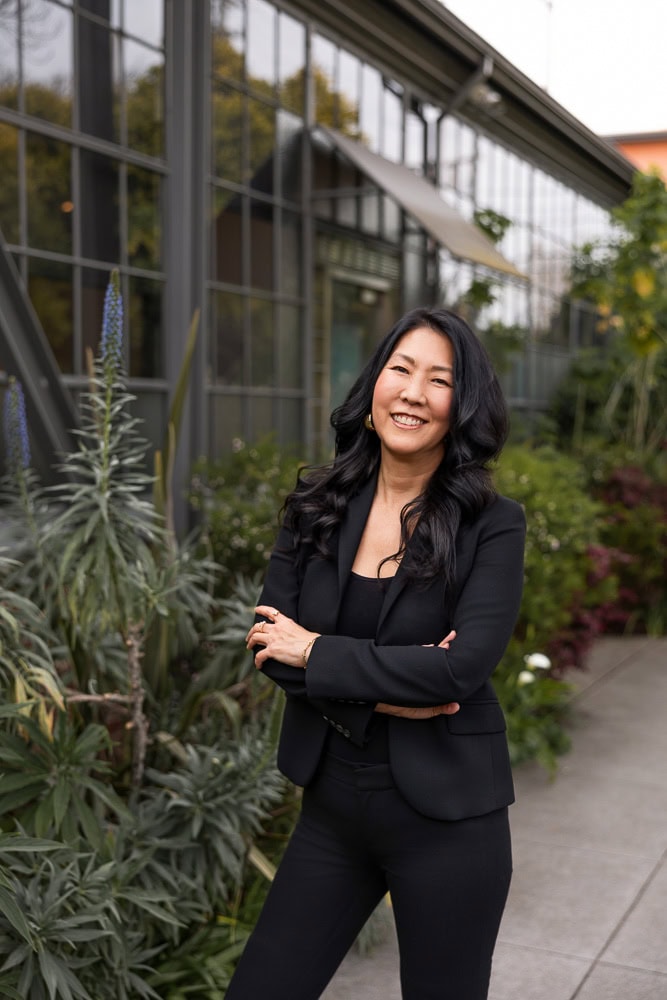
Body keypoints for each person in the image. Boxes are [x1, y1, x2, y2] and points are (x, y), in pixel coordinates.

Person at [226, 306, 526, 1000]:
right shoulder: (314, 504)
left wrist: (318, 654)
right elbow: (272, 648)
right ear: (373, 389)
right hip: (332, 809)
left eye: (438, 379)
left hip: (449, 821)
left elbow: (458, 670)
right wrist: (389, 688)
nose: (413, 392)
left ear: (461, 408)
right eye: (400, 369)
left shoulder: (491, 526)